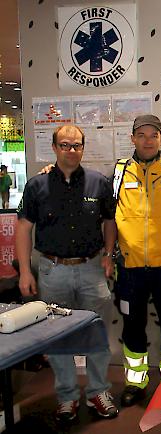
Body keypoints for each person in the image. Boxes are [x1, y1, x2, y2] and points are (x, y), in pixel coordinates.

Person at [15, 125, 118, 421]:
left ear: (83, 148)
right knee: (57, 337)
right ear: (55, 147)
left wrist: (109, 255)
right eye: (65, 145)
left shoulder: (99, 182)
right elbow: (23, 228)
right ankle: (67, 397)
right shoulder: (37, 185)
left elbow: (110, 221)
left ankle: (98, 391)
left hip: (91, 269)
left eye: (77, 145)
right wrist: (25, 271)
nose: (71, 150)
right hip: (52, 270)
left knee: (97, 333)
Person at [112, 114, 161, 407]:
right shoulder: (120, 173)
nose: (148, 140)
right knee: (132, 326)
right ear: (132, 138)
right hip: (130, 268)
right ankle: (136, 382)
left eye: (153, 135)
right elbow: (110, 218)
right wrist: (111, 257)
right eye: (142, 135)